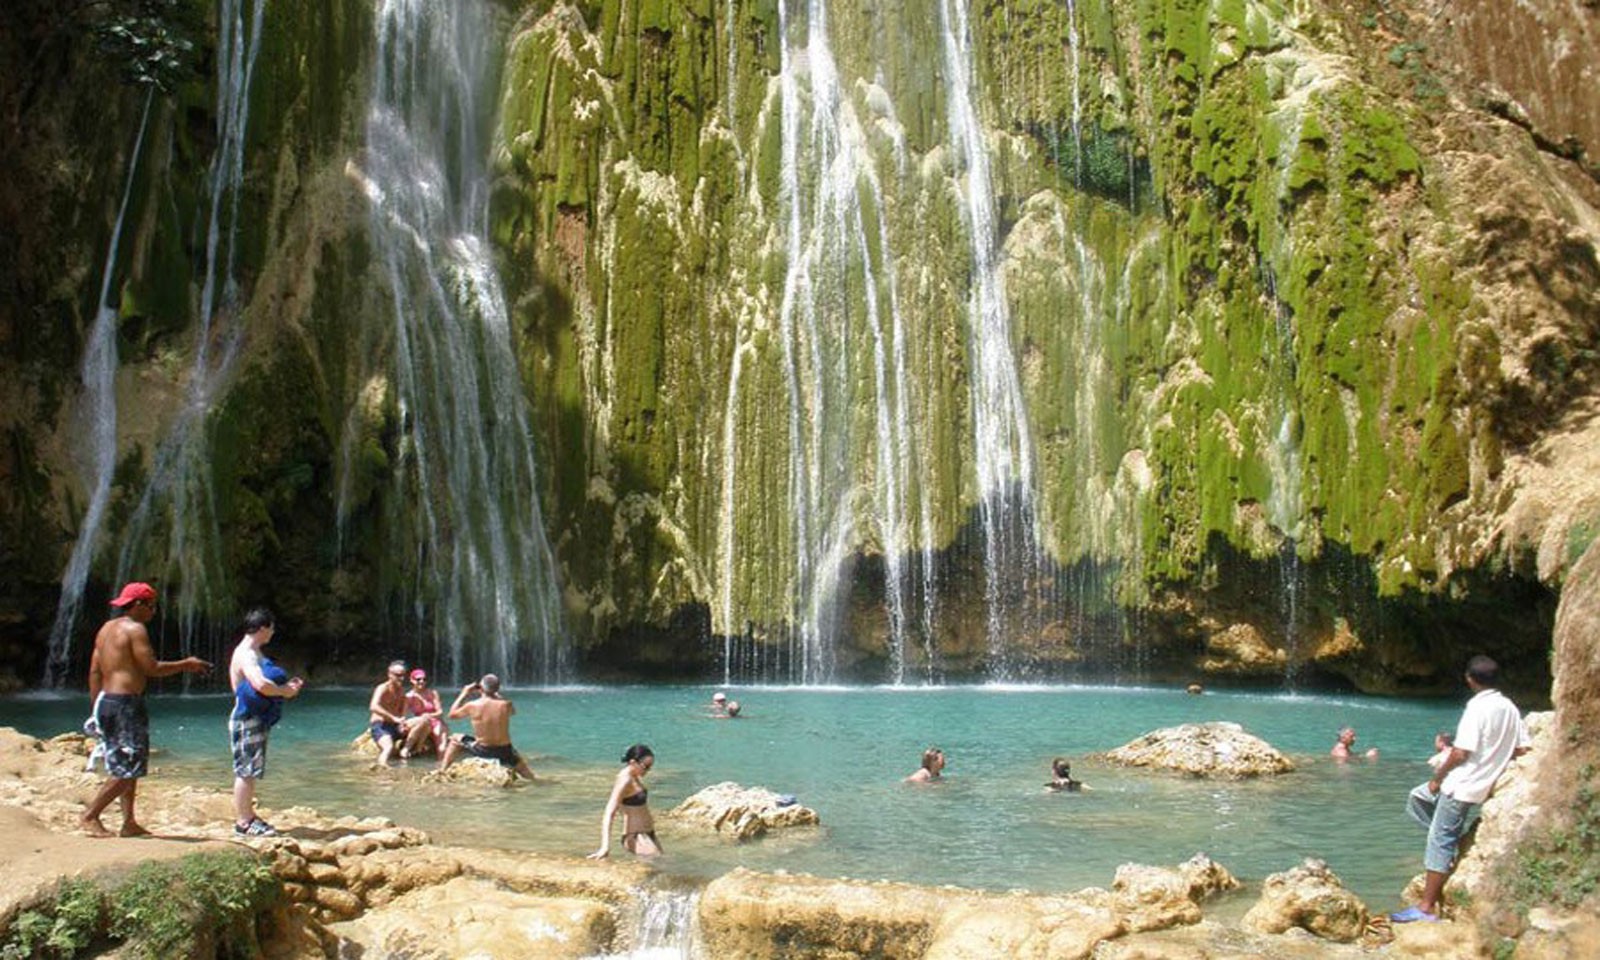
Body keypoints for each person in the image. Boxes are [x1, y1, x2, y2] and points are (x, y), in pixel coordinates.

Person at [1391, 655, 1531, 923]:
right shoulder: (1510, 707)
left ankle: (1426, 908)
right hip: (1484, 783)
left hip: (1462, 785)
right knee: (1417, 798)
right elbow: (1522, 748)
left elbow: (1460, 752)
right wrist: (1496, 764)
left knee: (1439, 839)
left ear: (1469, 679)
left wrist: (1437, 778)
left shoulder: (1476, 708)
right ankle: (1448, 845)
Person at [78, 582, 210, 837]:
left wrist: (96, 708)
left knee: (127, 764)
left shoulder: (105, 629)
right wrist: (187, 664)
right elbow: (151, 668)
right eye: (151, 606)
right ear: (138, 605)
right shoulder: (135, 629)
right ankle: (90, 815)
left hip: (107, 702)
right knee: (130, 767)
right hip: (126, 704)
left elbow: (94, 671)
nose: (153, 611)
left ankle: (129, 822)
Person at [228, 607, 303, 837]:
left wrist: (286, 688)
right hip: (246, 718)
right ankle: (244, 822)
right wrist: (285, 691)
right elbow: (260, 684)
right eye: (271, 628)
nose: (273, 632)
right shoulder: (247, 654)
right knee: (246, 770)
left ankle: (248, 815)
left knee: (251, 768)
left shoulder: (254, 652)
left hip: (254, 717)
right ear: (262, 628)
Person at [437, 674, 535, 779]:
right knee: (528, 775)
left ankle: (442, 770)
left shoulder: (473, 705)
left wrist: (464, 693)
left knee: (455, 738)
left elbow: (451, 715)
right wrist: (497, 696)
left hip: (483, 750)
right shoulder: (506, 704)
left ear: (481, 688)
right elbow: (512, 712)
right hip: (505, 751)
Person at [588, 744, 661, 858]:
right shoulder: (624, 779)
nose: (648, 770)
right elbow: (609, 812)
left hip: (648, 834)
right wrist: (605, 847)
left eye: (650, 767)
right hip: (635, 836)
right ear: (633, 762)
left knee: (665, 864)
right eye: (646, 766)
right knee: (659, 863)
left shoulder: (634, 776)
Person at [368, 660, 409, 766]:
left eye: (403, 675)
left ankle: (407, 753)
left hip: (395, 726)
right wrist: (393, 718)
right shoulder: (382, 688)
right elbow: (373, 706)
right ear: (390, 674)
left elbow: (402, 712)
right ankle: (382, 768)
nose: (402, 678)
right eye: (398, 675)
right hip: (381, 725)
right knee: (388, 747)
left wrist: (402, 723)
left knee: (422, 723)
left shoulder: (401, 691)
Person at [401, 668, 446, 758]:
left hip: (435, 721)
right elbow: (403, 714)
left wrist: (429, 715)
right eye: (418, 679)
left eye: (424, 679)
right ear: (412, 680)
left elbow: (440, 712)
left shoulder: (432, 693)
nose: (422, 681)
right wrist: (401, 725)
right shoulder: (409, 696)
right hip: (421, 722)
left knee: (441, 749)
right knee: (423, 721)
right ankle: (411, 749)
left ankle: (440, 765)